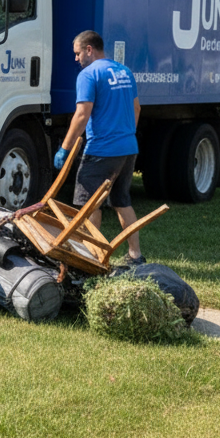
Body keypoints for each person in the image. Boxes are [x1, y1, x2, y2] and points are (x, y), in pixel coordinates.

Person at [54, 30, 144, 265]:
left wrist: (65, 147)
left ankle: (90, 257)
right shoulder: (124, 71)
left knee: (88, 204)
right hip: (128, 147)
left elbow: (82, 114)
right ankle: (136, 255)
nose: (76, 59)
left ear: (89, 49)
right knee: (122, 201)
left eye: (77, 53)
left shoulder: (89, 74)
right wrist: (125, 134)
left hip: (101, 150)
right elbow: (137, 110)